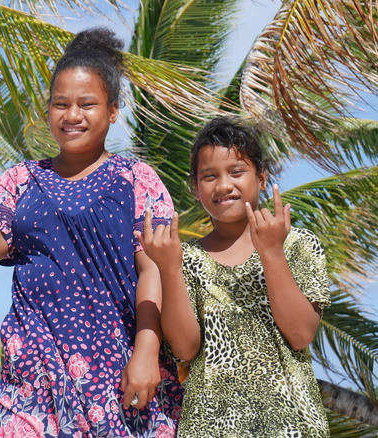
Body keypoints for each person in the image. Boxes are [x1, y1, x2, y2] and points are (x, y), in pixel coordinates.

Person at [0, 28, 183, 437]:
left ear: (113, 110)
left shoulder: (137, 179)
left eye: (87, 104)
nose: (71, 115)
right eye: (60, 104)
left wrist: (147, 350)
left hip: (116, 373)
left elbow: (153, 269)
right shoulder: (20, 179)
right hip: (31, 375)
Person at [138, 116, 330, 437]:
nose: (224, 185)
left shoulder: (297, 244)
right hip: (209, 426)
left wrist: (271, 253)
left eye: (237, 172)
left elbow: (300, 334)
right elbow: (185, 349)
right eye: (210, 176)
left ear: (262, 178)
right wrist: (170, 268)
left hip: (292, 425)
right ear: (195, 189)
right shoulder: (184, 259)